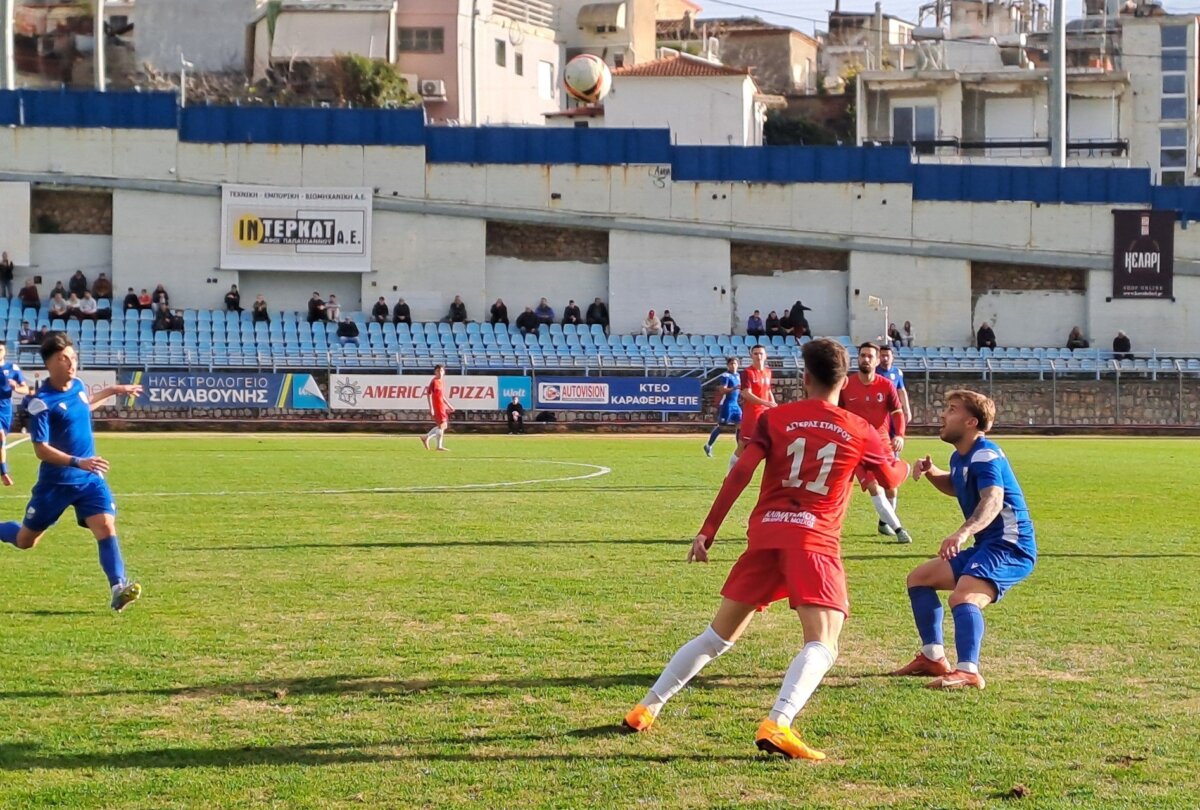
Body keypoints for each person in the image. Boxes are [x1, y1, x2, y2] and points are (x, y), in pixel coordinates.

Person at [622, 339, 910, 760]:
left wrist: (708, 530)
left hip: (766, 536)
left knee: (716, 637)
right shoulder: (859, 429)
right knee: (823, 644)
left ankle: (646, 708)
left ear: (804, 377)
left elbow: (740, 471)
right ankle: (779, 722)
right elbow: (892, 478)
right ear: (845, 381)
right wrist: (904, 464)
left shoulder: (776, 418)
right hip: (813, 542)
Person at [890, 390, 1036, 690]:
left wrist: (962, 532)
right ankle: (933, 657)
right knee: (920, 578)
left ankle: (969, 671)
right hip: (988, 545)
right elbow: (958, 484)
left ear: (971, 422)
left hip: (1010, 545)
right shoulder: (961, 456)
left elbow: (993, 499)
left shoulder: (986, 453)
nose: (943, 415)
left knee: (963, 597)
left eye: (952, 409)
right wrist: (932, 472)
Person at [0, 333, 144, 611]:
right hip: (55, 485)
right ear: (50, 363)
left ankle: (118, 587)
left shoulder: (77, 386)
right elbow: (41, 449)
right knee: (25, 541)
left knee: (105, 526)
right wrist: (79, 462)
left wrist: (113, 391)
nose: (71, 363)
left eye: (73, 357)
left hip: (89, 479)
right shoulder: (41, 402)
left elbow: (84, 405)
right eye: (64, 358)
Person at [839, 343, 913, 544]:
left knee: (891, 487)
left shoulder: (886, 384)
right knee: (874, 487)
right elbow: (838, 414)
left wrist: (899, 435)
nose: (866, 359)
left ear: (877, 359)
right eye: (862, 355)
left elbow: (897, 413)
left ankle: (884, 523)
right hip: (856, 446)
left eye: (870, 356)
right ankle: (899, 529)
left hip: (881, 445)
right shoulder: (846, 385)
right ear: (858, 358)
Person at [732, 344, 776, 471]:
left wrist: (773, 405)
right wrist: (765, 403)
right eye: (755, 353)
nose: (759, 356)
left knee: (773, 443)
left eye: (761, 353)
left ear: (765, 355)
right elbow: (746, 393)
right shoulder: (747, 373)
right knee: (743, 445)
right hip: (752, 415)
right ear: (751, 356)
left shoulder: (768, 372)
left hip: (765, 414)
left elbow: (768, 391)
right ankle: (730, 473)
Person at [0, 342, 30, 485]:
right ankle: (4, 472)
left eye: (0, 350)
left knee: (1, 440)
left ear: (5, 352)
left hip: (5, 410)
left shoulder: (12, 369)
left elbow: (25, 390)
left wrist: (16, 387)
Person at [703, 357, 740, 458]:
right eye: (731, 364)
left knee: (741, 425)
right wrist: (734, 388)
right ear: (728, 365)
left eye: (735, 364)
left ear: (738, 365)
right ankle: (708, 445)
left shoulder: (738, 375)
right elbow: (722, 390)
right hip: (727, 404)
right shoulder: (725, 376)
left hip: (735, 404)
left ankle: (740, 448)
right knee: (722, 427)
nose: (733, 366)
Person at [421, 365, 454, 452]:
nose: (440, 372)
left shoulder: (441, 381)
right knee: (442, 426)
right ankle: (437, 445)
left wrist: (449, 405)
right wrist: (431, 408)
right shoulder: (434, 382)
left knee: (443, 426)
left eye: (441, 371)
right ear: (435, 372)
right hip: (437, 406)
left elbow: (442, 396)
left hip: (441, 406)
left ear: (444, 372)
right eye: (438, 371)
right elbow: (428, 394)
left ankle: (426, 437)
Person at [877, 345, 912, 425]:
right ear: (879, 357)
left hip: (894, 409)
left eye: (887, 356)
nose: (885, 358)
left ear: (892, 357)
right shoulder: (874, 372)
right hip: (878, 410)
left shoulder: (897, 372)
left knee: (896, 434)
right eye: (882, 356)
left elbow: (901, 391)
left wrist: (907, 410)